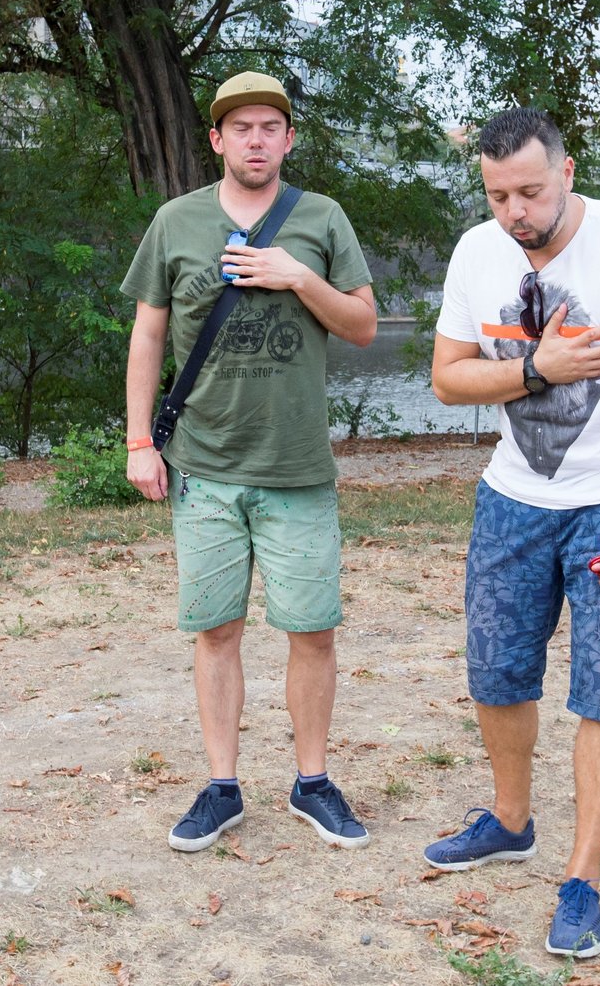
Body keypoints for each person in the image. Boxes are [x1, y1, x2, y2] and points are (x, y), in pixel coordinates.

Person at [425, 107, 600, 957]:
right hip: (512, 499)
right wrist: (538, 366)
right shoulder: (478, 253)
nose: (515, 211)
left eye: (531, 191)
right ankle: (511, 818)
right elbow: (446, 379)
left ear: (568, 172)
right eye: (499, 194)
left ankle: (581, 877)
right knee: (497, 672)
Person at [122, 71, 377, 854]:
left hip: (297, 467)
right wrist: (139, 442)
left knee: (313, 632)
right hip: (203, 466)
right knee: (217, 631)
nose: (257, 139)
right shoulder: (176, 221)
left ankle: (312, 782)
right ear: (218, 140)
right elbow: (149, 336)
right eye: (243, 128)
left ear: (288, 139)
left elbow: (365, 324)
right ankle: (223, 786)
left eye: (271, 127)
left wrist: (300, 278)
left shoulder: (322, 219)